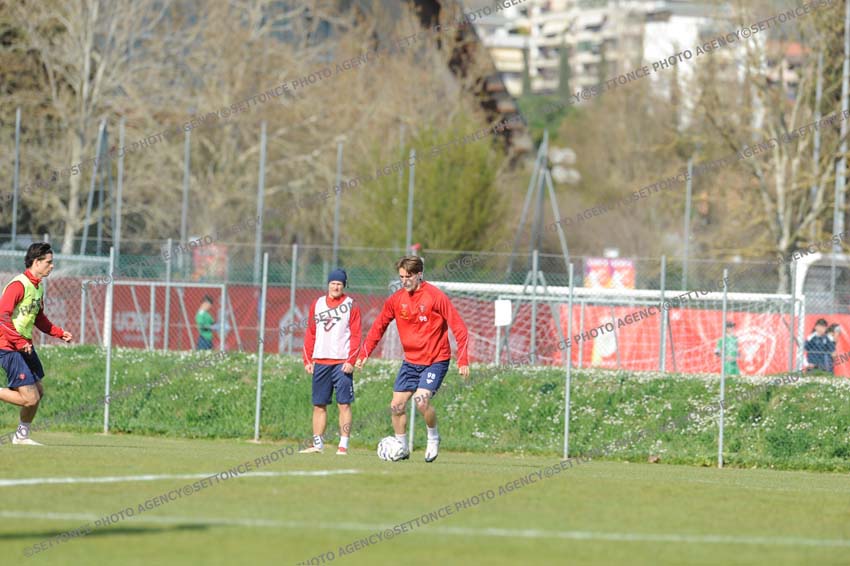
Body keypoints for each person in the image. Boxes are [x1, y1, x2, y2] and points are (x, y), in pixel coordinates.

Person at [355, 256, 469, 463]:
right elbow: (378, 327)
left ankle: (433, 437)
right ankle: (402, 447)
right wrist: (364, 354)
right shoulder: (396, 300)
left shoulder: (435, 296)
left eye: (408, 276)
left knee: (421, 401)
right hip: (411, 361)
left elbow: (460, 328)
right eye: (401, 277)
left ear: (419, 274)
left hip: (436, 359)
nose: (404, 281)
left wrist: (463, 360)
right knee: (396, 406)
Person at [0, 243, 73, 445]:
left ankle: (21, 436)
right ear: (36, 262)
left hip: (24, 345)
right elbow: (2, 317)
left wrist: (59, 333)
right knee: (30, 399)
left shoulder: (38, 287)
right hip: (8, 346)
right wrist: (18, 341)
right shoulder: (18, 285)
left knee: (37, 392)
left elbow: (39, 318)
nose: (52, 266)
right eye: (49, 262)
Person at [299, 269, 362, 455]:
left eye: (339, 284)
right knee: (319, 405)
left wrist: (351, 360)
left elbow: (356, 335)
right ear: (328, 285)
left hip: (342, 363)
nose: (336, 287)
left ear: (344, 286)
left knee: (344, 404)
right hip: (321, 361)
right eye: (333, 283)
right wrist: (308, 359)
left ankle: (343, 445)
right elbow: (311, 332)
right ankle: (317, 444)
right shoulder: (317, 304)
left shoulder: (351, 305)